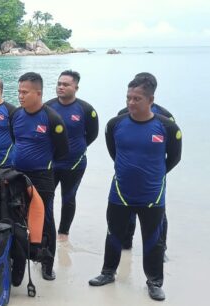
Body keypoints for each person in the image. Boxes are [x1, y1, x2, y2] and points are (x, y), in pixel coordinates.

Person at [89, 76, 182, 301]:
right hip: (120, 192)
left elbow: (174, 158)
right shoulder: (116, 124)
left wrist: (154, 175)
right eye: (129, 97)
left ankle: (154, 282)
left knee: (153, 240)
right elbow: (115, 153)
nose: (131, 102)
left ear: (151, 100)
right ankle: (108, 272)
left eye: (137, 98)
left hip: (152, 195)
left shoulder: (167, 126)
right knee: (113, 235)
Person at [10, 72, 69, 280]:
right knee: (16, 216)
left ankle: (47, 263)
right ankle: (18, 260)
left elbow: (63, 151)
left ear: (39, 93)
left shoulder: (52, 118)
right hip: (17, 174)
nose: (20, 96)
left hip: (42, 175)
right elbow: (15, 140)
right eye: (19, 92)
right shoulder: (16, 115)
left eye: (25, 92)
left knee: (45, 219)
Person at [117, 72, 173, 251]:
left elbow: (173, 152)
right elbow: (117, 146)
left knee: (158, 212)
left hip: (154, 176)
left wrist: (158, 170)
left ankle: (160, 248)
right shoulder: (123, 114)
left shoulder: (165, 117)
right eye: (129, 96)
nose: (132, 101)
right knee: (127, 210)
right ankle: (126, 243)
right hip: (128, 174)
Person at [45, 70, 99, 241]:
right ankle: (47, 230)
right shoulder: (48, 107)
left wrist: (75, 148)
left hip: (75, 164)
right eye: (59, 84)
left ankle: (63, 233)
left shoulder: (86, 109)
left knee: (68, 197)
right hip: (51, 162)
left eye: (66, 84)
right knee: (47, 198)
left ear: (76, 87)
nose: (61, 87)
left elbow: (92, 134)